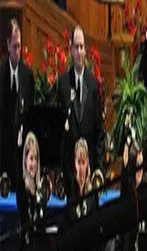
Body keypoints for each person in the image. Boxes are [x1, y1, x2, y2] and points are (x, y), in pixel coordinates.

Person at [58, 25, 105, 191]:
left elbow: (99, 130)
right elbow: (59, 130)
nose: (79, 51)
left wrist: (99, 167)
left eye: (82, 47)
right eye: (76, 47)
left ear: (86, 50)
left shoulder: (93, 84)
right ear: (71, 50)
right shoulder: (63, 84)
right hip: (70, 172)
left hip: (89, 171)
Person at [0, 19, 34, 188]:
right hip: (3, 157)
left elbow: (30, 115)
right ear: (7, 45)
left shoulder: (28, 76)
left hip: (22, 159)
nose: (18, 51)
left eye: (19, 46)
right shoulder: (1, 75)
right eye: (14, 46)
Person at [16, 130, 46, 247]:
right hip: (26, 249)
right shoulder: (21, 187)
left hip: (39, 248)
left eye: (35, 158)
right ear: (25, 161)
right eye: (31, 158)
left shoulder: (41, 189)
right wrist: (19, 147)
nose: (33, 163)